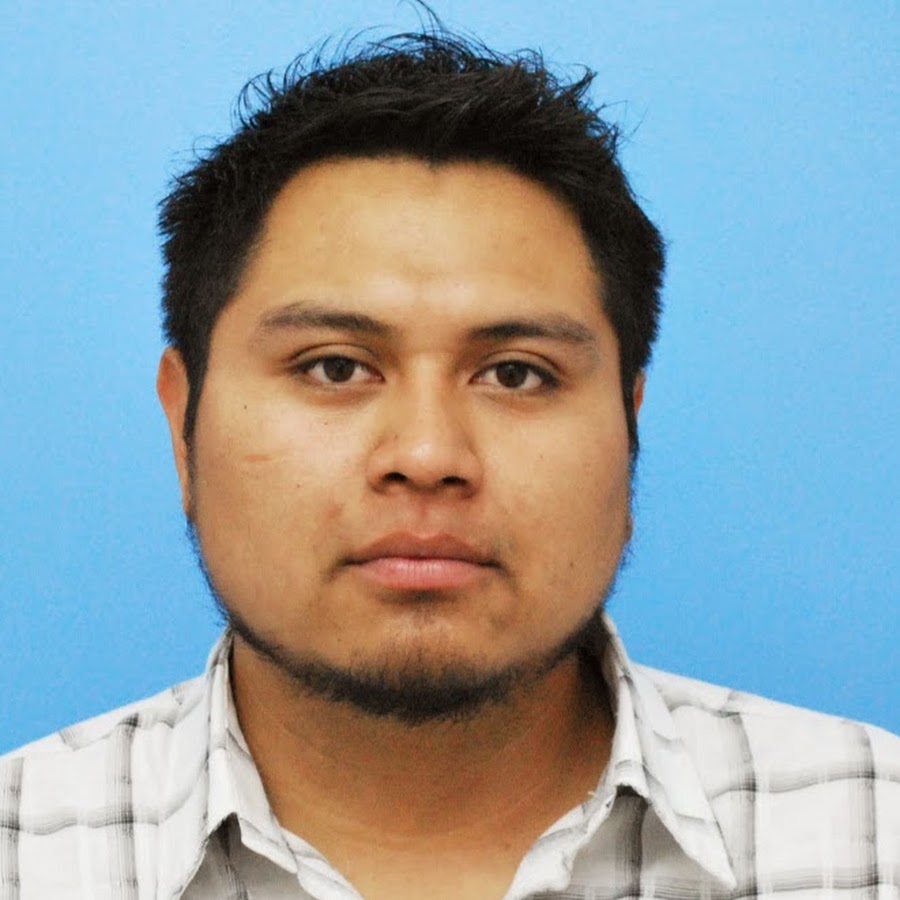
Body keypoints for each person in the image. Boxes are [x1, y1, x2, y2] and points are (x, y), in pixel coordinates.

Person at [1, 23, 897, 900]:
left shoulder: (875, 829)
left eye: (516, 373)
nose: (428, 456)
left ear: (630, 425)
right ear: (182, 425)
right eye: (334, 367)